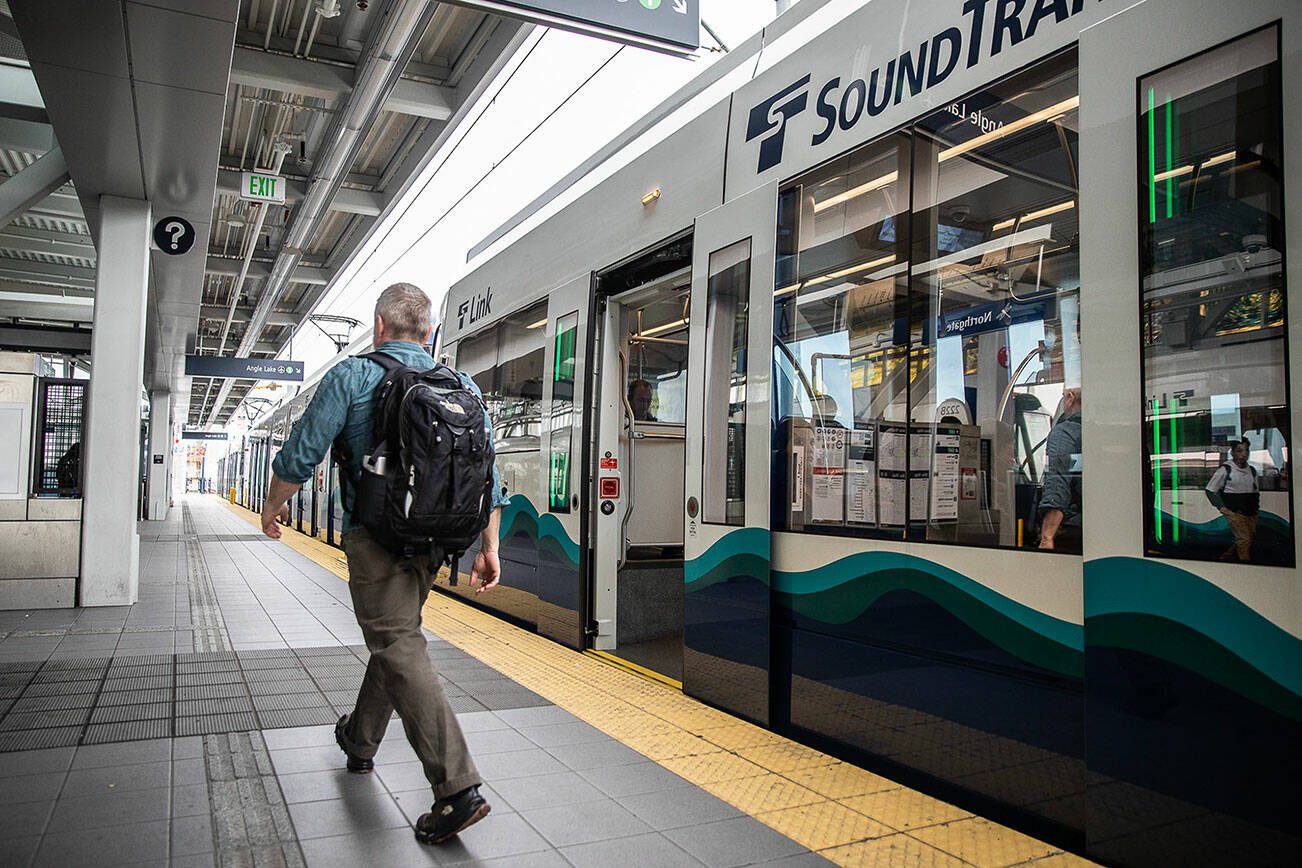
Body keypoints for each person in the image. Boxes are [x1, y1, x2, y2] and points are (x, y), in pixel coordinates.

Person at [259, 283, 510, 845]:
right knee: (397, 633)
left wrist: (274, 508)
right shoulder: (461, 385)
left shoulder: (351, 376)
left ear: (379, 326)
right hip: (437, 541)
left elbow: (302, 453)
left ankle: (456, 789)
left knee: (396, 641)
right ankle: (361, 739)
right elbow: (487, 479)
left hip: (376, 537)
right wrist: (490, 547)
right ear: (428, 333)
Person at [1039, 387, 1082, 552]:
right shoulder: (1102, 430)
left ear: (1070, 398)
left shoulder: (1065, 431)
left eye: (1063, 396)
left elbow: (1058, 482)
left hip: (1071, 530)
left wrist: (1047, 537)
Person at [1205, 438, 1259, 562]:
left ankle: (1226, 557)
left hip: (1251, 512)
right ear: (1233, 452)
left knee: (1247, 538)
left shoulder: (1251, 471)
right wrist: (1223, 508)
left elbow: (1255, 492)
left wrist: (1256, 510)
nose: (1243, 454)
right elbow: (1210, 490)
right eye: (1239, 451)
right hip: (1235, 512)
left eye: (1246, 450)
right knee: (1244, 539)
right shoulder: (1225, 470)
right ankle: (1245, 564)